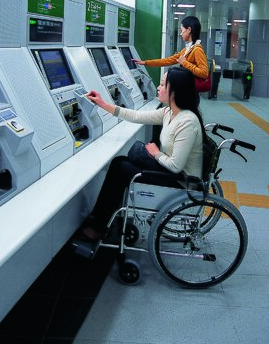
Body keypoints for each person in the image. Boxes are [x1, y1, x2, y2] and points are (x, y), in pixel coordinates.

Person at [78, 66, 207, 241]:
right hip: (169, 171)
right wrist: (103, 104)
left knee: (122, 167)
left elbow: (176, 166)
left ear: (175, 91)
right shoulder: (169, 112)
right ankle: (99, 220)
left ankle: (98, 224)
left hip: (181, 181)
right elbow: (136, 116)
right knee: (119, 162)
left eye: (163, 84)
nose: (158, 87)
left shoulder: (187, 122)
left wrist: (155, 153)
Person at [132, 15, 209, 106]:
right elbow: (167, 61)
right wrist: (145, 62)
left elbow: (204, 73)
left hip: (191, 93)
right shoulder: (187, 50)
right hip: (185, 89)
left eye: (181, 30)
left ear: (189, 30)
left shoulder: (197, 50)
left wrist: (184, 63)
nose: (180, 33)